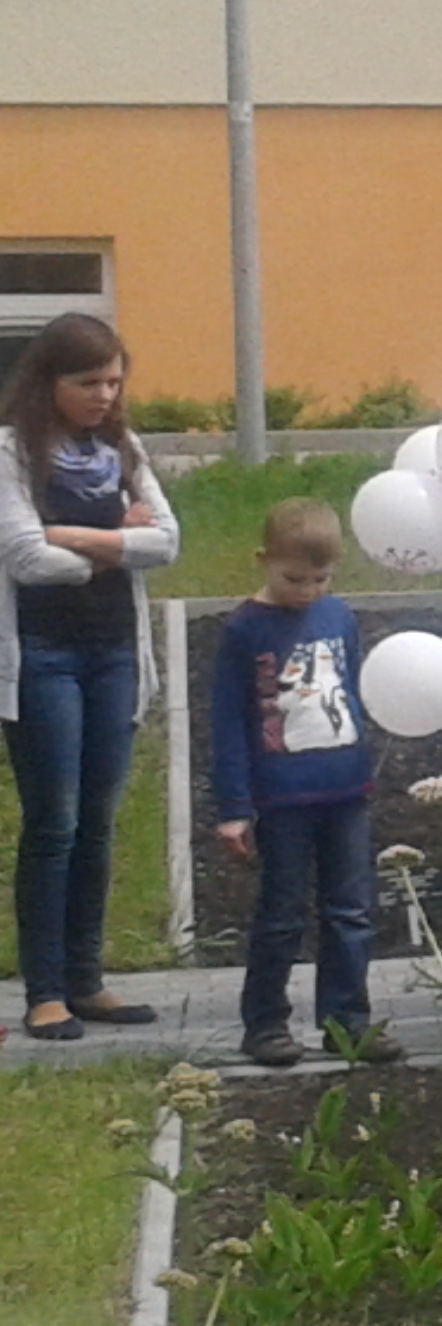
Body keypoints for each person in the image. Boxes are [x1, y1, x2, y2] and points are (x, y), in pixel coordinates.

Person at [0, 313, 179, 1041]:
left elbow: (167, 542)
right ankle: (45, 991)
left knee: (97, 823)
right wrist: (116, 543)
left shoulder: (123, 450)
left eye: (113, 381)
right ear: (50, 382)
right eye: (88, 382)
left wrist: (71, 535)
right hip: (42, 658)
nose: (105, 395)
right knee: (56, 822)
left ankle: (86, 979)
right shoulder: (11, 453)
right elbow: (24, 557)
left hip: (114, 656)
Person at [210, 499, 401, 1067]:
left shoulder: (338, 616)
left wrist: (364, 766)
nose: (308, 590)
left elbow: (353, 689)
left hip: (344, 790)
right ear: (264, 560)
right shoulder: (244, 630)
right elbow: (228, 722)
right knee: (282, 913)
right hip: (282, 796)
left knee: (351, 911)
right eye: (294, 578)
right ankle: (265, 1023)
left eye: (321, 578)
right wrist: (234, 806)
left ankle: (348, 1022)